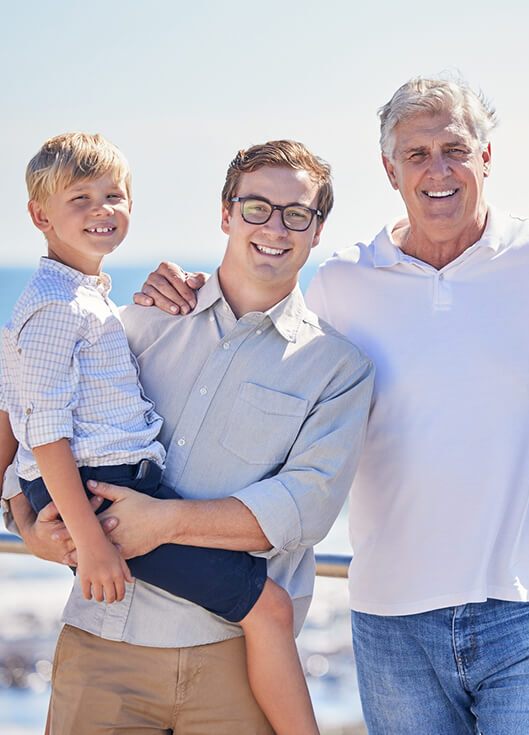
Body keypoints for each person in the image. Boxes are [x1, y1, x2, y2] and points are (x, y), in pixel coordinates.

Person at [135, 77, 529, 735]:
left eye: (455, 149)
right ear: (390, 169)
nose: (437, 169)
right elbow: (253, 326)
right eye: (417, 154)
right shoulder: (342, 283)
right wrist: (180, 288)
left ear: (487, 158)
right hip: (391, 622)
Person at [3, 139, 374, 734]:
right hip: (104, 645)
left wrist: (164, 521)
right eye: (256, 208)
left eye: (296, 213)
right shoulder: (138, 320)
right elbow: (26, 401)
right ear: (226, 215)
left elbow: (304, 512)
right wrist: (22, 523)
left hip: (231, 660)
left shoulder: (337, 367)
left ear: (317, 228)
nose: (274, 227)